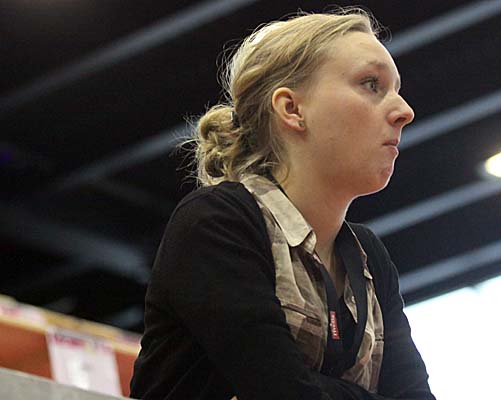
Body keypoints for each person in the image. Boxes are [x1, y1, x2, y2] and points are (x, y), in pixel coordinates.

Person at [130, 7, 436, 400]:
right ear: (292, 109)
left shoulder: (369, 257)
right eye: (371, 84)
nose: (404, 111)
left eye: (396, 89)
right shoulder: (216, 222)